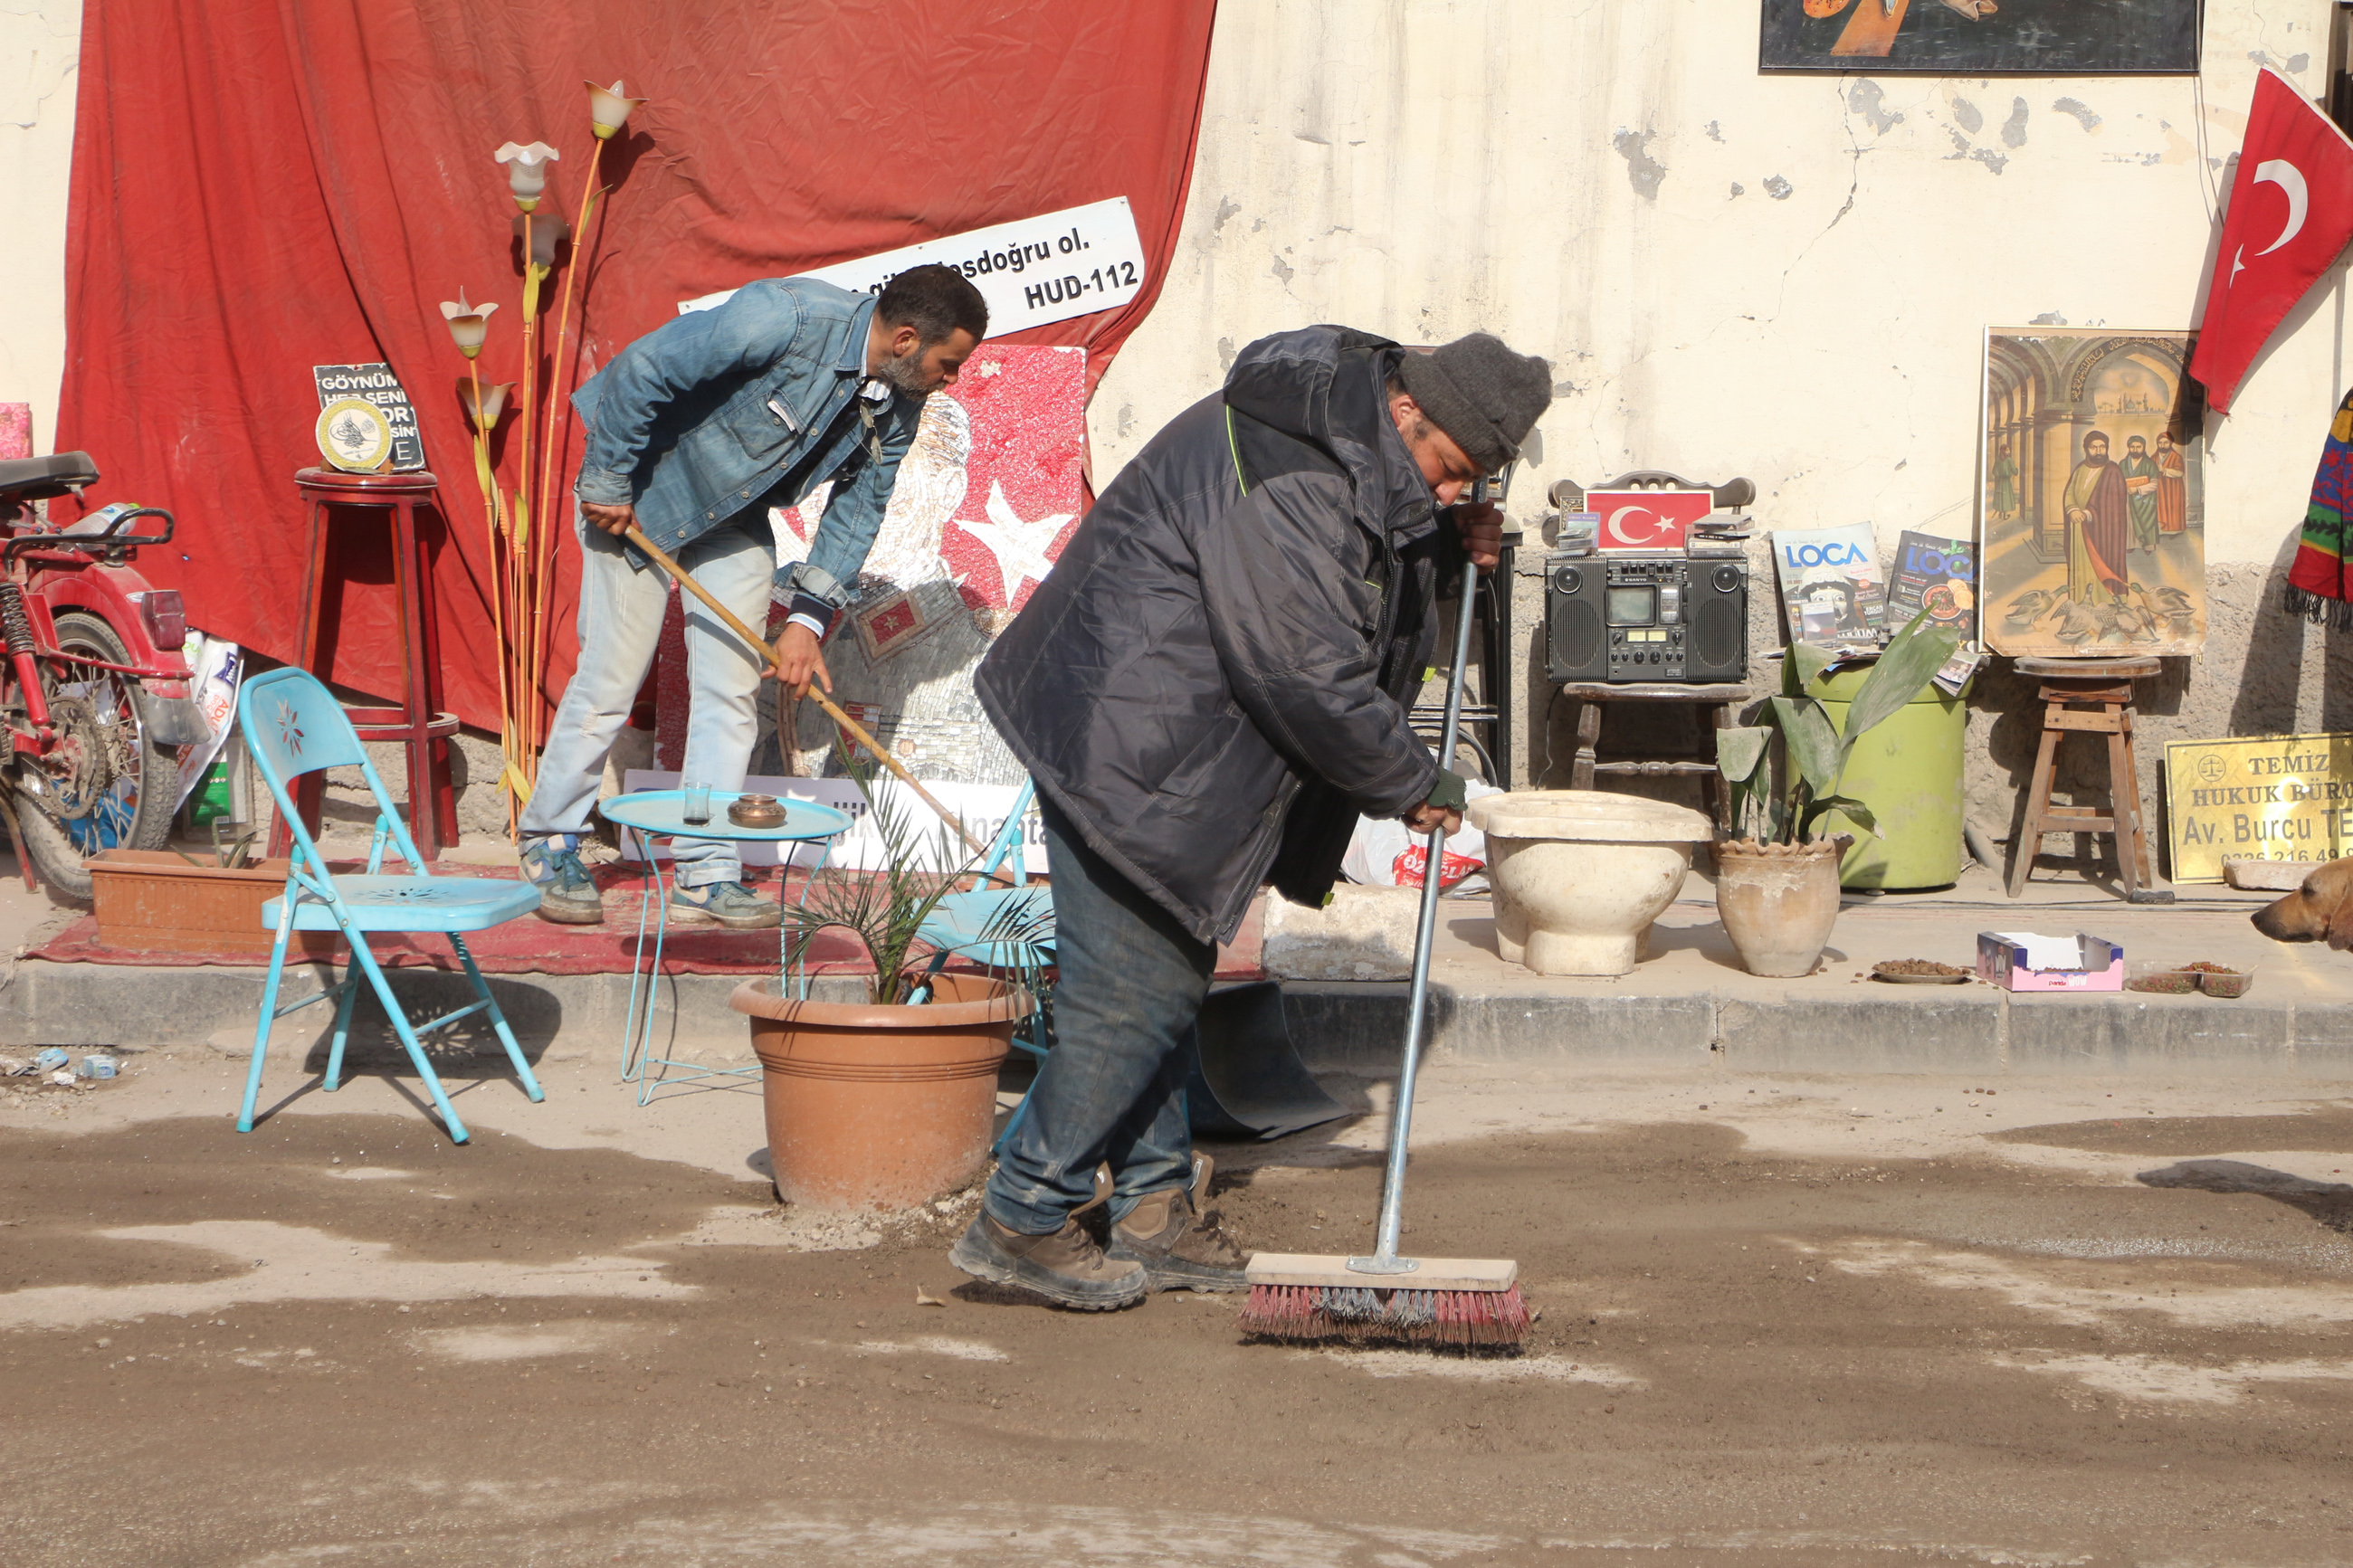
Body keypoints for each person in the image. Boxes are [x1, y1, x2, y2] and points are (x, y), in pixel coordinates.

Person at [952, 328, 1551, 1308]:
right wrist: (1412, 778)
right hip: (1130, 741)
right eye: (1454, 469)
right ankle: (1021, 1212)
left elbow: (1355, 579)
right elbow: (1303, 667)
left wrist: (1441, 545)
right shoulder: (1294, 473)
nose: (1456, 489)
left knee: (1161, 990)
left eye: (1475, 480)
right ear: (1408, 412)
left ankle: (1149, 1210)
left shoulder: (1350, 451)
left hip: (1163, 739)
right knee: (1130, 995)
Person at [515, 264, 986, 927]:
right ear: (906, 339)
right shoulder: (785, 315)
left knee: (731, 693)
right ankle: (548, 840)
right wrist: (609, 477)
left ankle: (705, 869)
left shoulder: (901, 402)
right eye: (950, 363)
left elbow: (860, 509)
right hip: (643, 497)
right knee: (610, 681)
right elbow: (642, 368)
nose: (952, 380)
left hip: (734, 520)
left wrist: (807, 619)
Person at [2062, 429, 2129, 607]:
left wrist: (2088, 513)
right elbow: (2069, 492)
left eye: (2102, 447)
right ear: (2086, 448)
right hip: (2078, 527)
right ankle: (2080, 597)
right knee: (2081, 564)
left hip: (2102, 530)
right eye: (2094, 447)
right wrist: (2072, 509)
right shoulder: (2080, 468)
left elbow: (2113, 505)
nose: (2098, 451)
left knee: (2101, 561)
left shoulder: (2113, 470)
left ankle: (2106, 598)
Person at [2120, 434, 2160, 554]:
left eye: (2138, 447)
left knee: (2147, 522)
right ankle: (2130, 545)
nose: (2135, 449)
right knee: (2130, 522)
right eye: (2133, 447)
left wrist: (2137, 489)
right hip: (2128, 499)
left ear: (2143, 447)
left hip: (2145, 500)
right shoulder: (2122, 464)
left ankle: (2148, 546)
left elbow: (2154, 484)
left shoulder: (2150, 464)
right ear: (2129, 448)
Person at [2154, 429, 2186, 537]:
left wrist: (2165, 470)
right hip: (2160, 488)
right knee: (2160, 506)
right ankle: (2162, 529)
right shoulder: (2153, 457)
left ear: (2170, 443)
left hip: (2173, 487)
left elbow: (2180, 472)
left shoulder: (2176, 457)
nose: (2163, 445)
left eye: (2166, 442)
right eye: (2160, 443)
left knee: (2173, 506)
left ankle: (2174, 530)